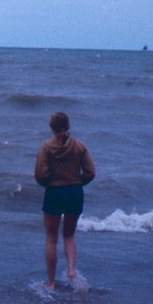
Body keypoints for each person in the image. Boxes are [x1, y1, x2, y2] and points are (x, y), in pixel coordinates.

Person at [34, 111, 95, 289]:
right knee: (69, 235)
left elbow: (41, 175)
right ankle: (71, 270)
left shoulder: (45, 147)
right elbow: (90, 172)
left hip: (54, 192)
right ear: (68, 125)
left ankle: (51, 282)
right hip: (75, 192)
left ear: (51, 127)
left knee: (51, 238)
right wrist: (76, 183)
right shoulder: (79, 146)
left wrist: (50, 182)